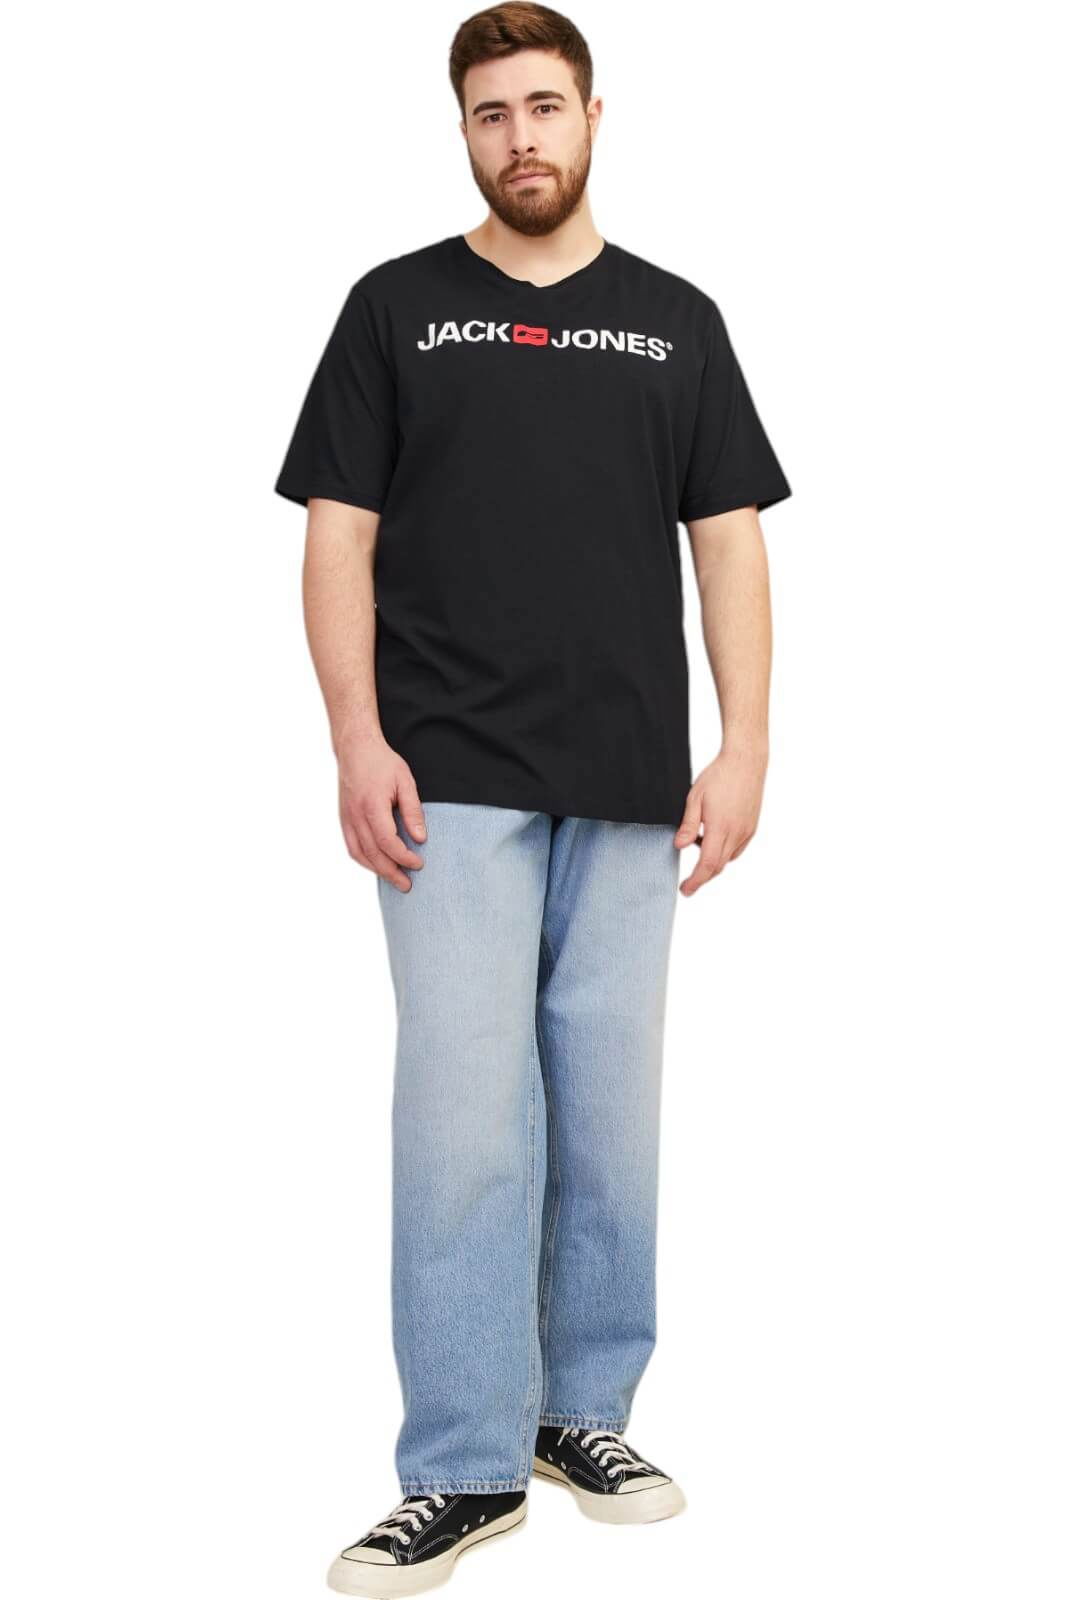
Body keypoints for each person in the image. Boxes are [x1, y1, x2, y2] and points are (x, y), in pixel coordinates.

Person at [274, 4, 791, 1594]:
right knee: (461, 1127)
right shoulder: (397, 309)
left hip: (629, 783)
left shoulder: (674, 322)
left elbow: (726, 538)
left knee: (610, 1122)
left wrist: (745, 747)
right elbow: (337, 532)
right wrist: (355, 740)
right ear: (463, 133)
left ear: (591, 118)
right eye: (491, 113)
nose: (521, 138)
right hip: (445, 782)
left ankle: (581, 1416)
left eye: (544, 107)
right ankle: (460, 1463)